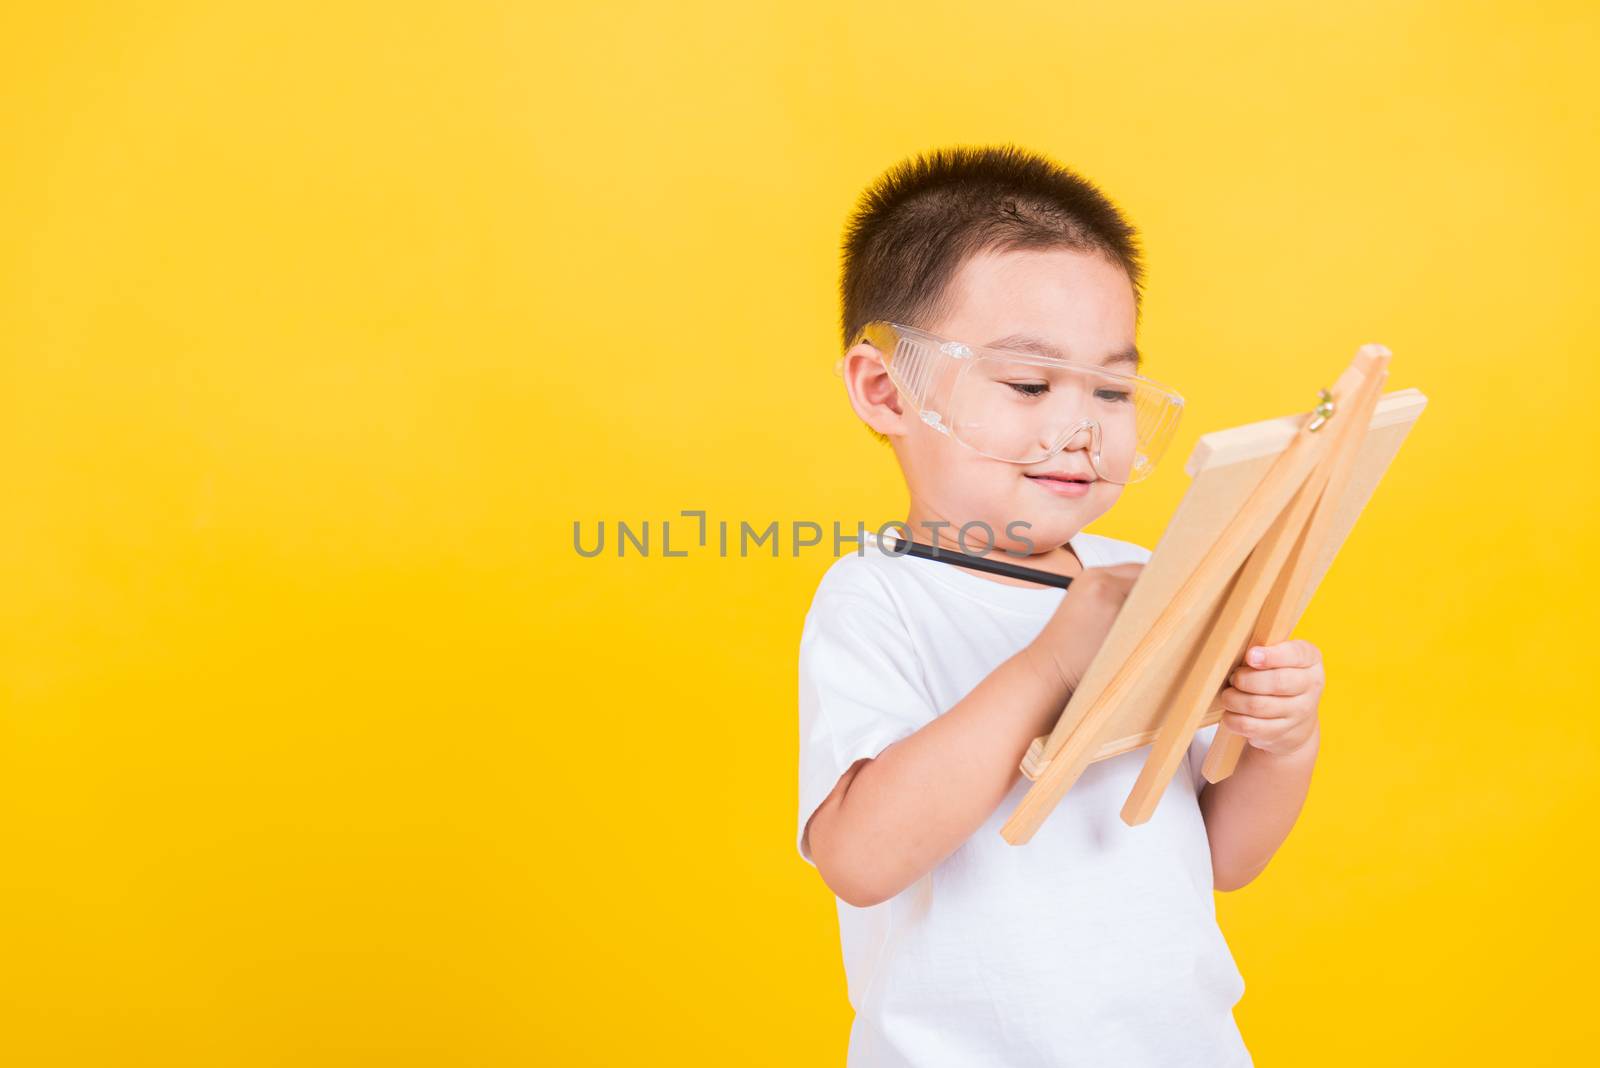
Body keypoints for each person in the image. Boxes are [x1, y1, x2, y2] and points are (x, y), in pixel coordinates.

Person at [797, 144, 1327, 1066]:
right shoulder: (880, 598)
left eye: (1113, 390)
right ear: (888, 391)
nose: (1079, 430)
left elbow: (1221, 856)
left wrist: (1282, 741)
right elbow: (860, 858)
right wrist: (1052, 660)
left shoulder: (1144, 575)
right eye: (1029, 385)